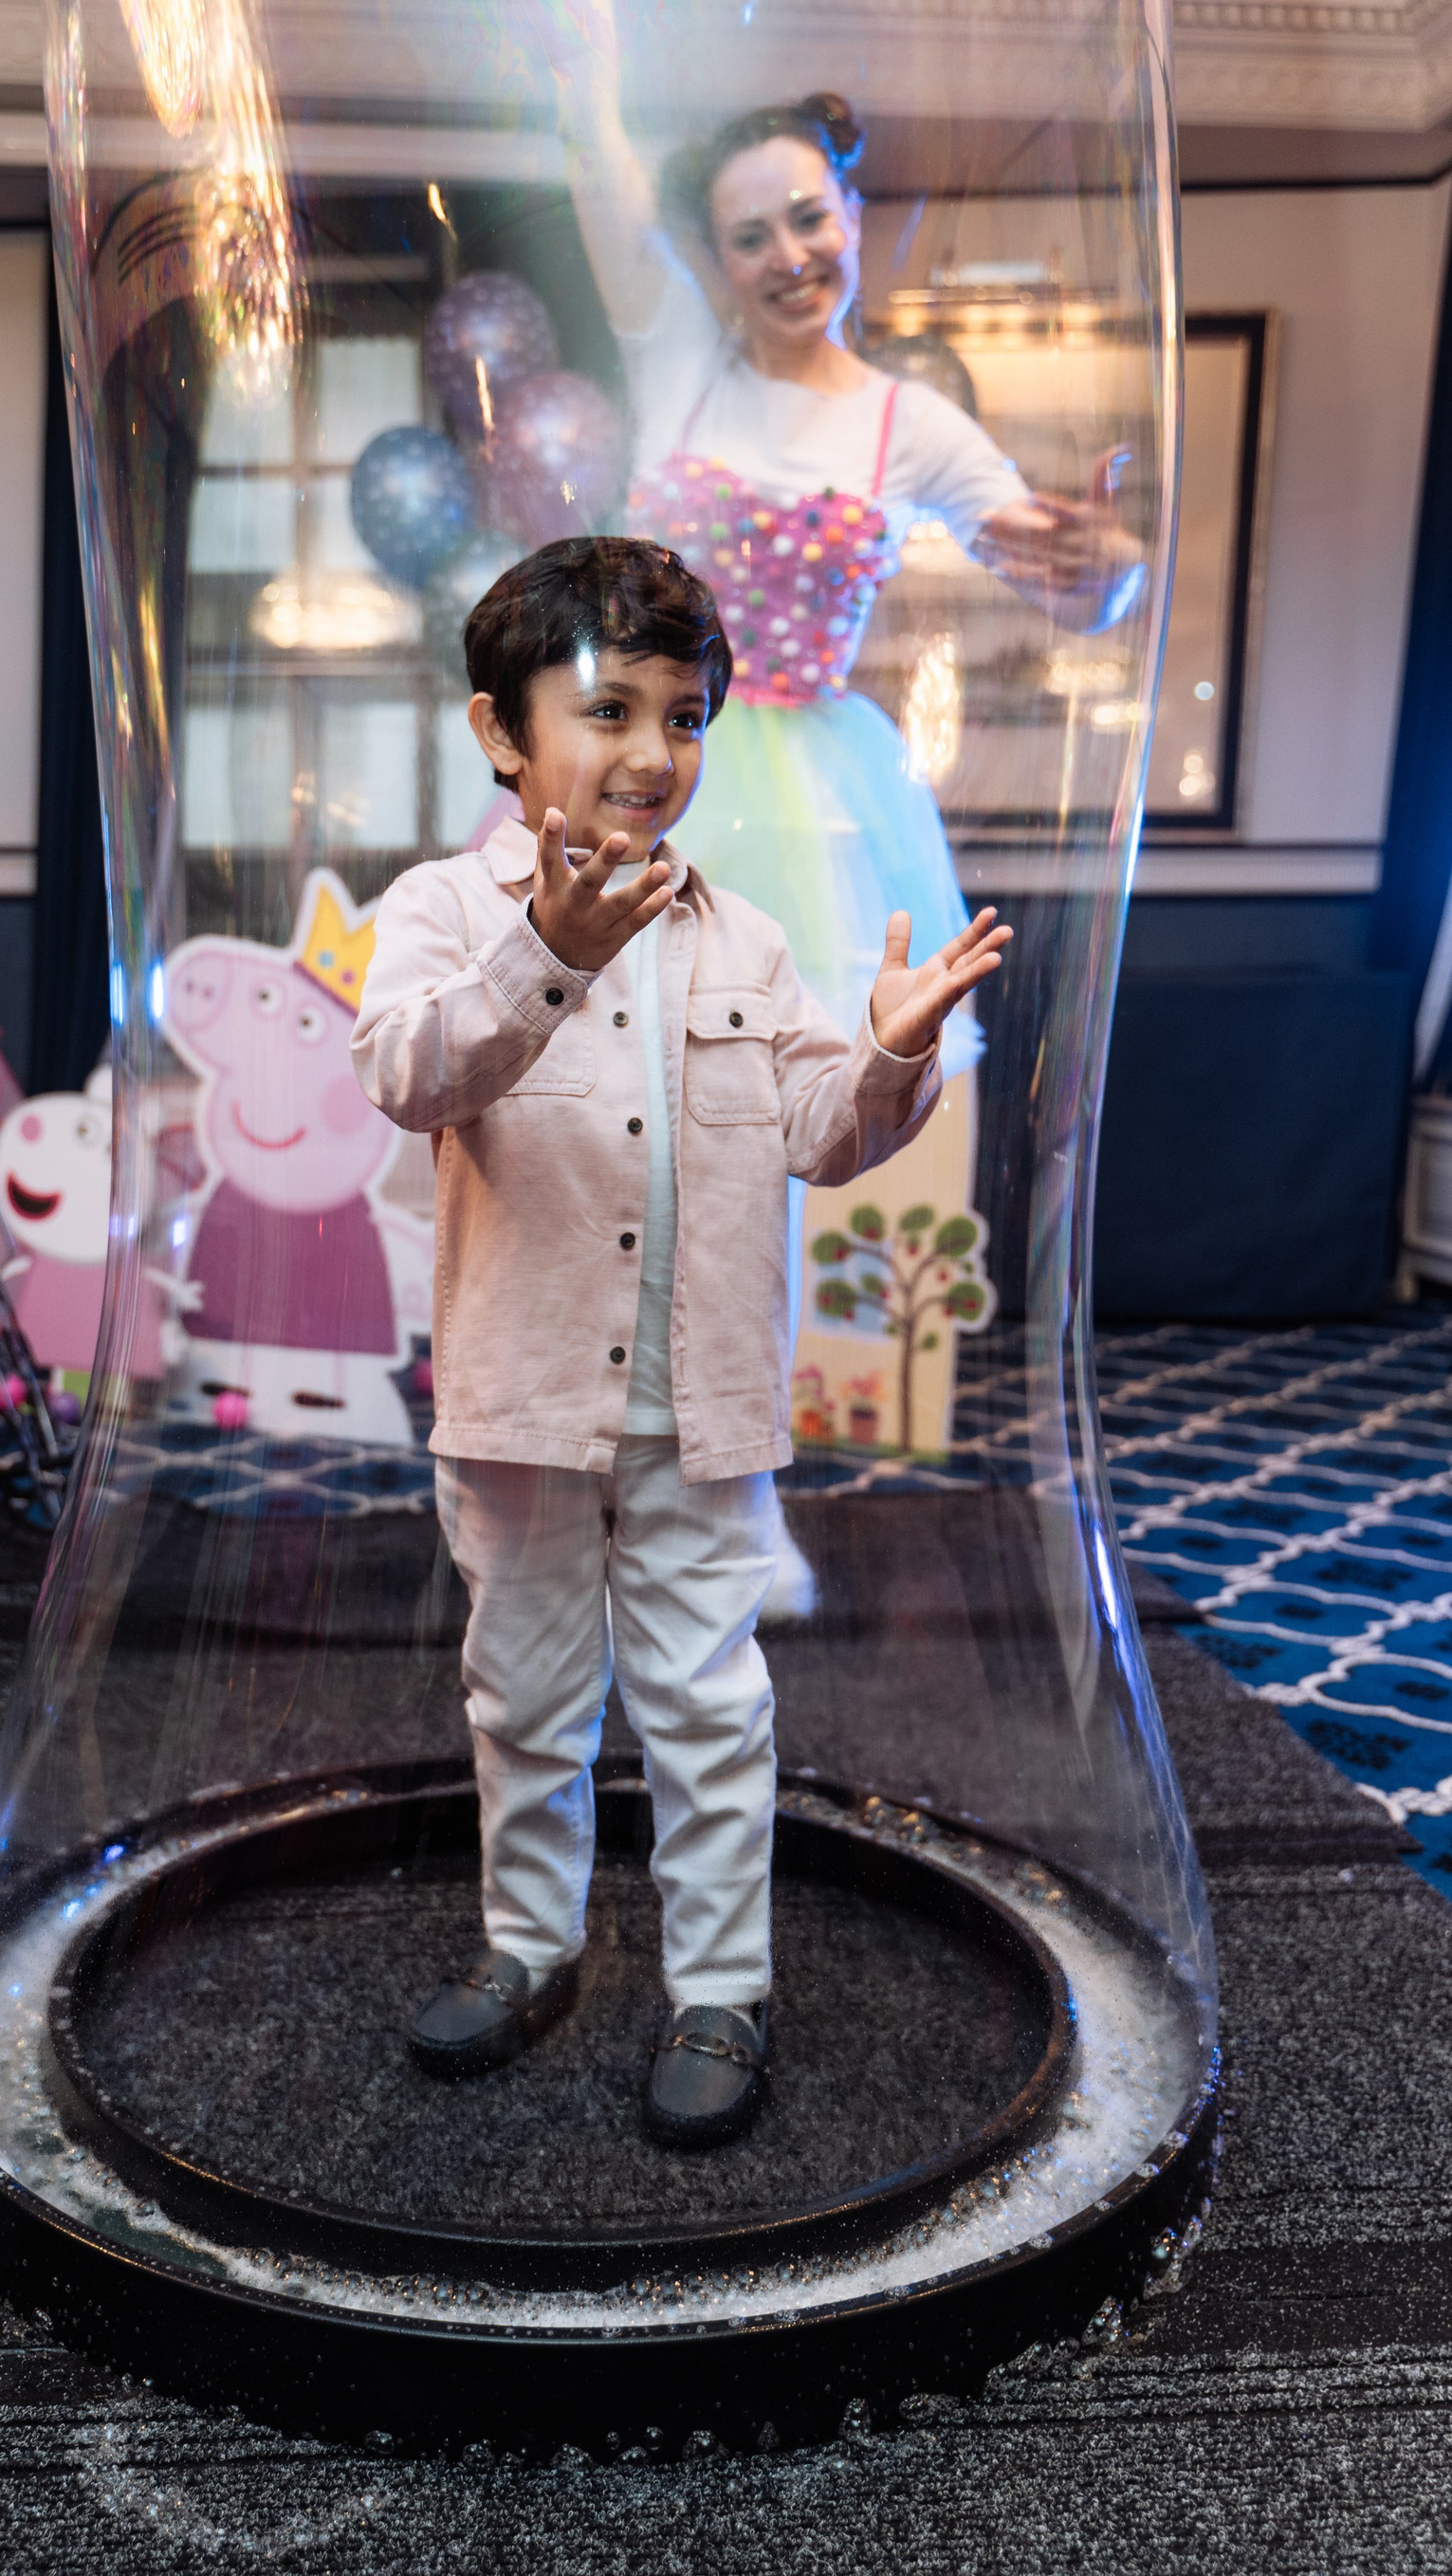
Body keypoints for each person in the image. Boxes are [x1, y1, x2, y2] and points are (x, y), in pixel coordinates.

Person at [352, 540, 1009, 2147]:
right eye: (610, 710)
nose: (655, 752)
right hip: (519, 1405)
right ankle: (529, 1949)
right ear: (502, 733)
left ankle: (722, 1988)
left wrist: (888, 1056)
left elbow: (821, 1132)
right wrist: (552, 953)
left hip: (697, 1408)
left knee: (711, 1712)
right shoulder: (442, 911)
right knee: (523, 1696)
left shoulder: (745, 938)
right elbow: (409, 1075)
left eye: (686, 716)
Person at [544, 0, 1140, 1038]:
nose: (788, 255)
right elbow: (586, 140)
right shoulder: (675, 354)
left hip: (821, 816)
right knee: (613, 1062)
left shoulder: (910, 424)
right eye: (750, 237)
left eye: (809, 217)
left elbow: (1071, 591)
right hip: (636, 761)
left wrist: (1108, 571)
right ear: (717, 263)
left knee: (787, 1068)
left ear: (852, 218)